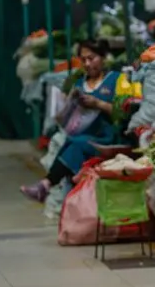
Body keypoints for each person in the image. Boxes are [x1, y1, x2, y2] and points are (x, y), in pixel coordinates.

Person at [20, 40, 120, 202]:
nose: (87, 64)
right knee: (71, 141)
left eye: (92, 58)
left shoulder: (116, 80)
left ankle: (46, 184)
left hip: (106, 139)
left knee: (76, 144)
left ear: (103, 57)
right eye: (83, 60)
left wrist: (99, 104)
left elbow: (124, 112)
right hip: (82, 135)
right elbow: (66, 119)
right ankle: (48, 186)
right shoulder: (80, 83)